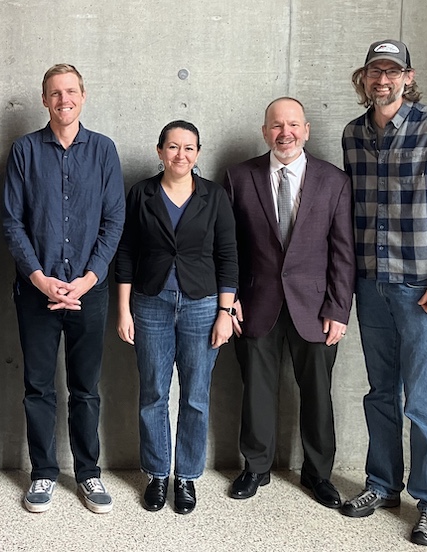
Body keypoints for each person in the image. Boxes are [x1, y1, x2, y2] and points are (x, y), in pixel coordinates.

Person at [339, 39, 427, 547]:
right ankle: (382, 486)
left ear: (409, 78)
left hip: (423, 286)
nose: (383, 80)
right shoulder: (354, 135)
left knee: (422, 398)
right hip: (371, 284)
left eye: (392, 71)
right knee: (380, 392)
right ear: (364, 78)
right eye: (375, 71)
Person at [3, 63, 125, 514]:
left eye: (70, 91)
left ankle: (89, 474)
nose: (63, 99)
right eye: (54, 93)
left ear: (83, 96)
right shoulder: (24, 150)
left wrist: (86, 280)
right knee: (38, 387)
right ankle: (42, 473)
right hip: (37, 290)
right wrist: (40, 278)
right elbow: (12, 222)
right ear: (44, 100)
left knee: (86, 388)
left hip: (89, 291)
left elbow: (114, 223)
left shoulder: (104, 150)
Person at [223, 98, 355, 508]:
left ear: (307, 130)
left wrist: (338, 308)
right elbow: (227, 247)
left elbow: (343, 252)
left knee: (318, 393)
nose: (286, 133)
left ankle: (318, 474)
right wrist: (231, 302)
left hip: (316, 308)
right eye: (277, 125)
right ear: (265, 131)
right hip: (254, 304)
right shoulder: (238, 177)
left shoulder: (334, 181)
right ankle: (256, 467)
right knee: (256, 390)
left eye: (293, 125)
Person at [115, 120, 238, 514]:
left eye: (188, 148)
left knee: (196, 395)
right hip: (150, 304)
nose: (180, 155)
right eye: (172, 147)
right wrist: (124, 310)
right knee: (153, 392)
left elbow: (228, 257)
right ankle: (156, 473)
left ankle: (186, 476)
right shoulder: (141, 194)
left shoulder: (214, 196)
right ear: (159, 151)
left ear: (198, 153)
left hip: (203, 305)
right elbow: (126, 254)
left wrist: (225, 311)